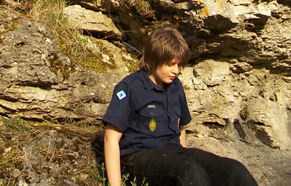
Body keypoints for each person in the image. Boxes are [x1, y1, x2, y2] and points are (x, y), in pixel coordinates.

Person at [103, 26, 258, 186]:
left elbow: (181, 127)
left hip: (173, 153)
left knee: (234, 170)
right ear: (154, 59)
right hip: (139, 157)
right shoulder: (130, 87)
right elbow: (110, 137)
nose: (176, 71)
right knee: (189, 171)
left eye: (179, 65)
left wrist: (185, 155)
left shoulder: (175, 87)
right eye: (171, 64)